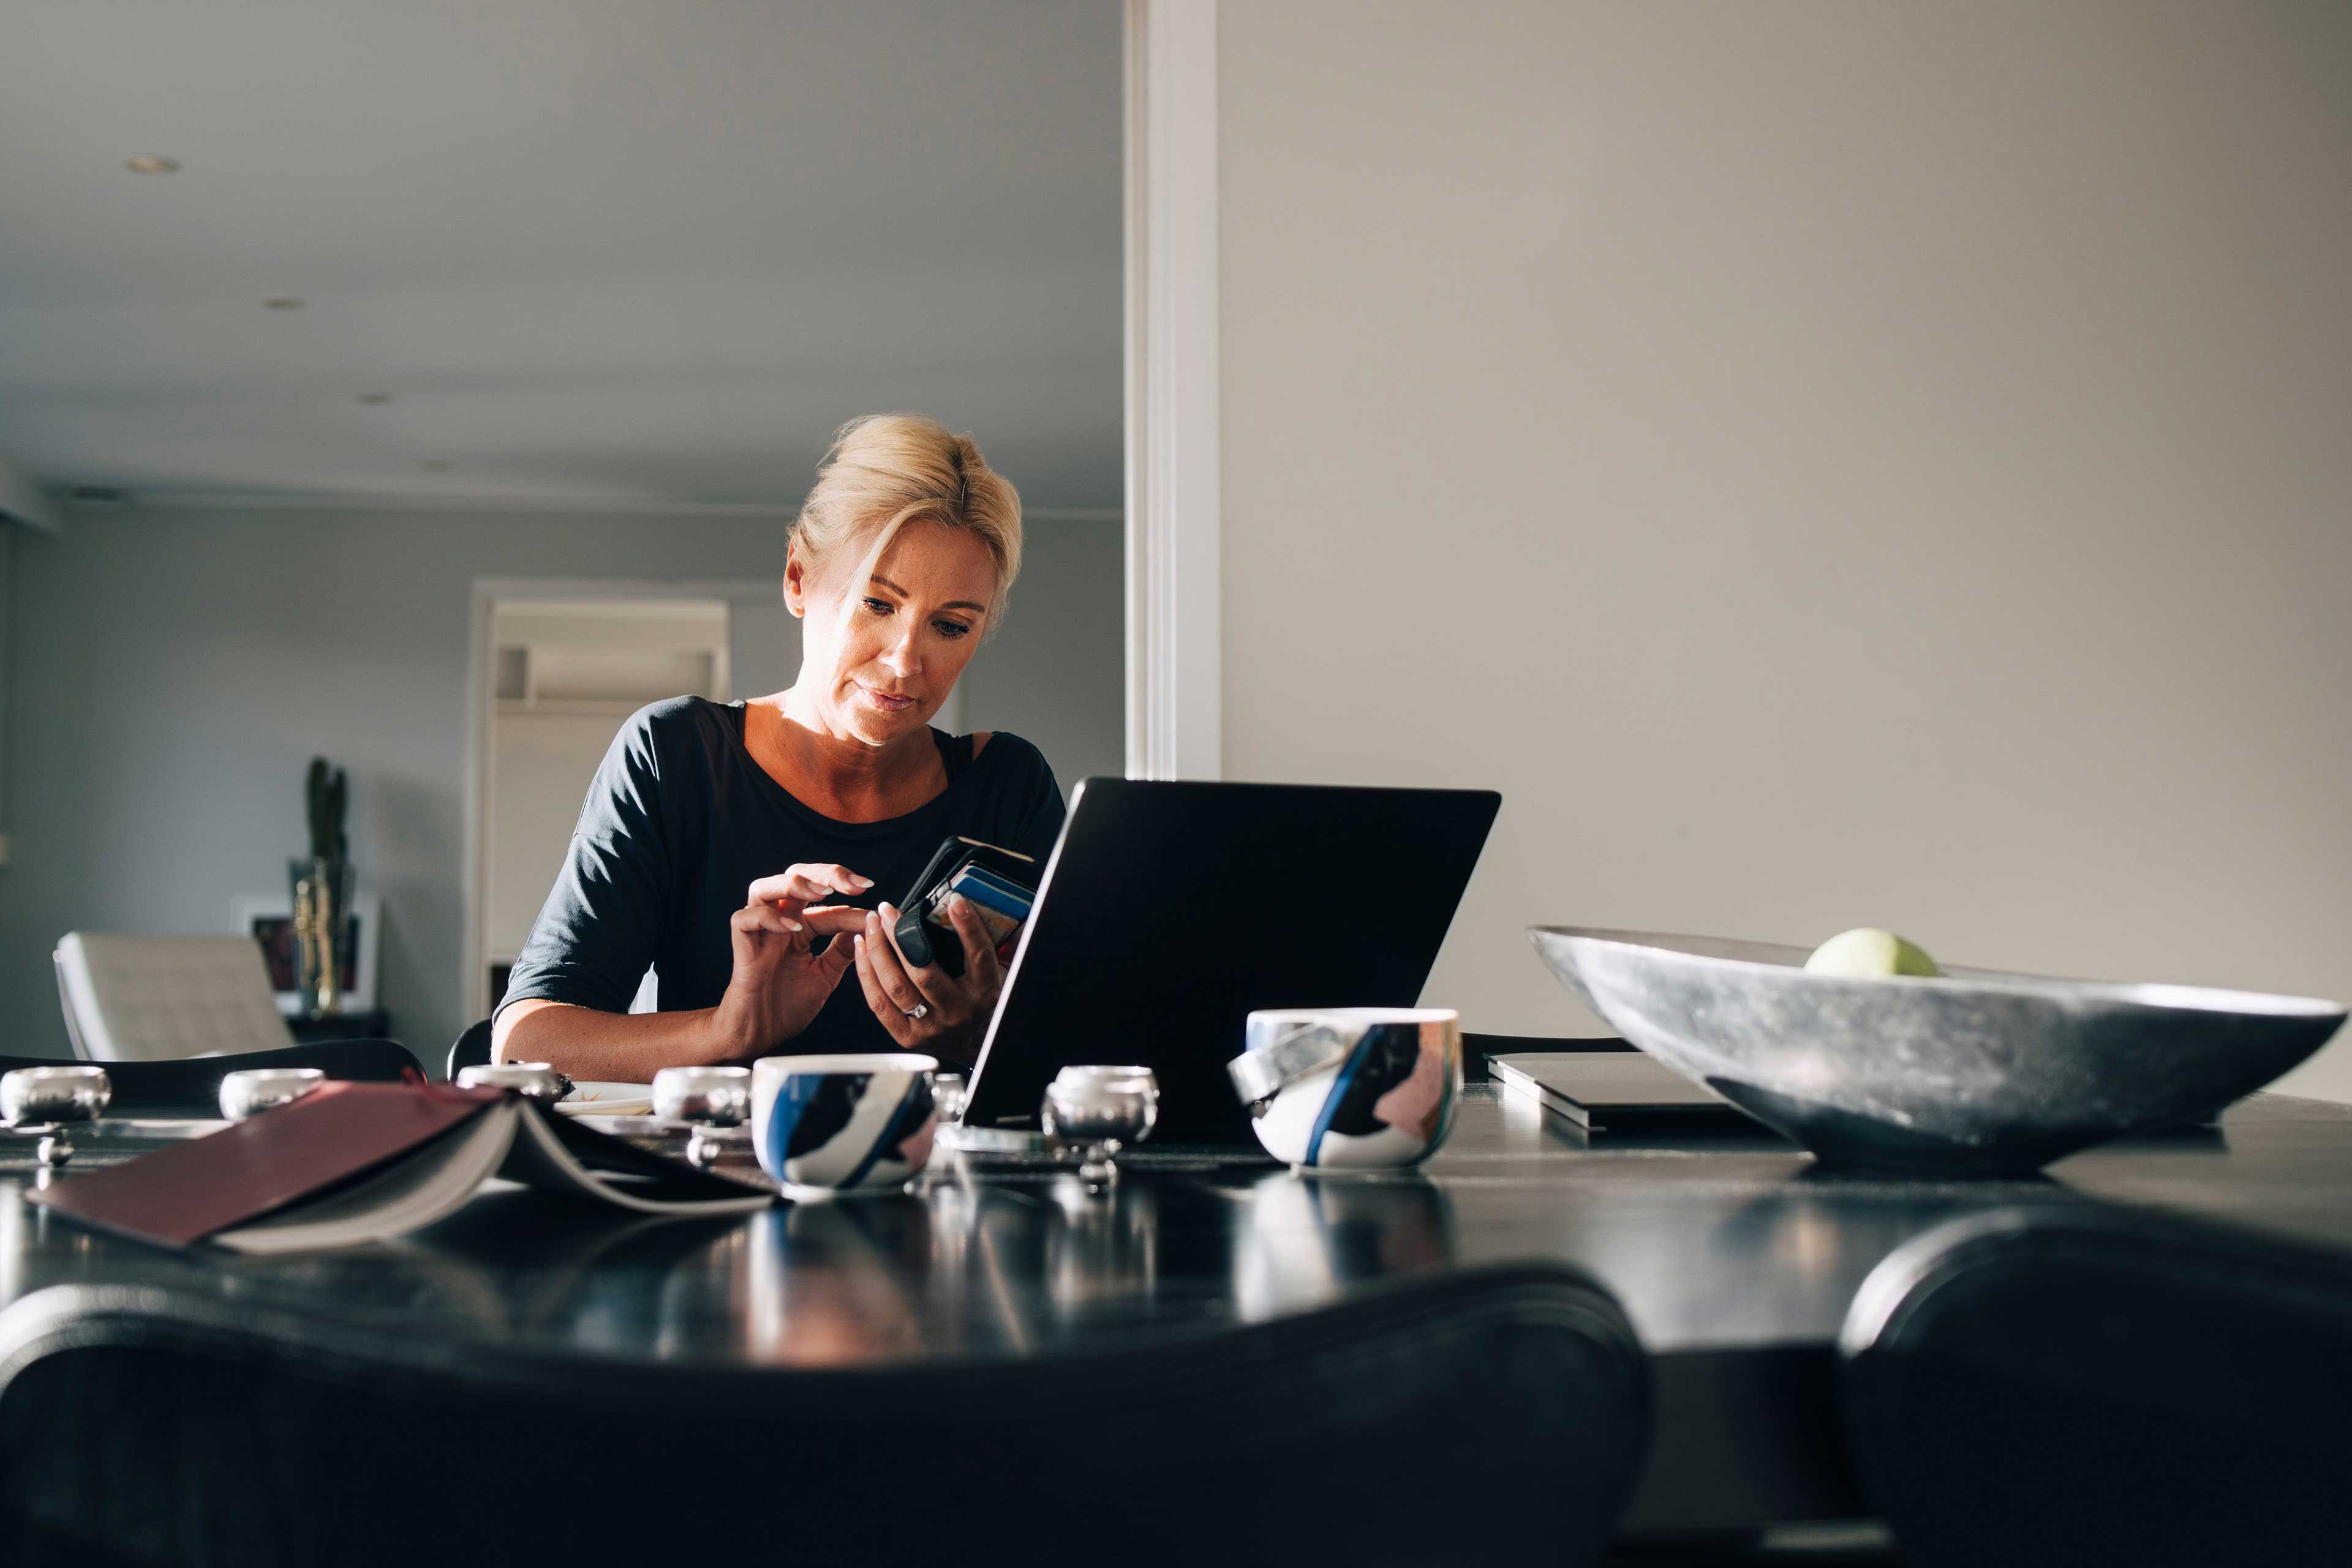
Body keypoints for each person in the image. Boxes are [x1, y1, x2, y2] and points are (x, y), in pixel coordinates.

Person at [492, 415, 1064, 1082]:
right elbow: (524, 1044)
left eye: (949, 625)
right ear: (798, 577)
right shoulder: (675, 757)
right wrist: (730, 1028)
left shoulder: (1008, 784)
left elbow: (1104, 1043)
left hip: (940, 1184)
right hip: (712, 1179)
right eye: (876, 604)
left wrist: (976, 1039)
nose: (906, 661)